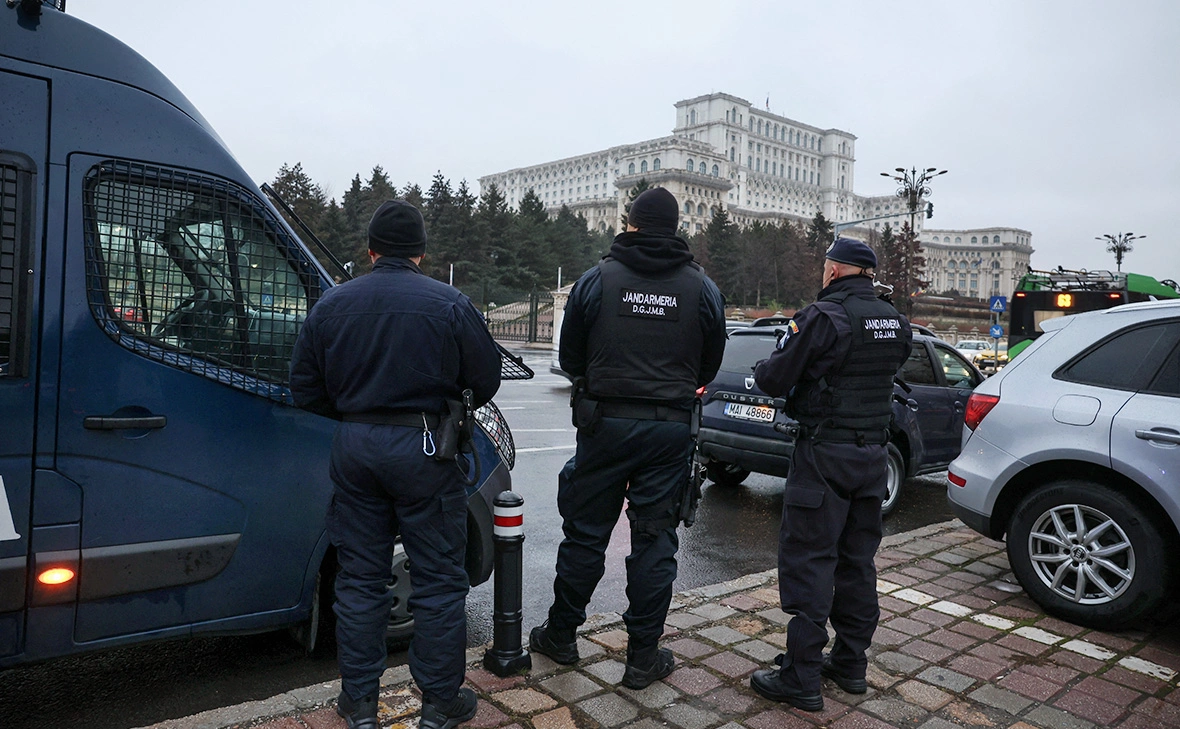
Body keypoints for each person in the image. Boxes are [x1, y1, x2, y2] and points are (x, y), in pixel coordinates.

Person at [289, 200, 501, 729]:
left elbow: (305, 388)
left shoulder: (333, 303)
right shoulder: (449, 303)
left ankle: (358, 703)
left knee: (360, 578)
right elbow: (487, 378)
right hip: (426, 449)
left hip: (357, 448)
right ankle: (439, 703)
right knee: (438, 580)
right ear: (422, 254)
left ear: (371, 250)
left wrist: (359, 416)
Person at [529, 187, 726, 689]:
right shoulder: (702, 289)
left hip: (604, 425)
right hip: (669, 428)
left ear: (632, 224)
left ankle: (561, 635)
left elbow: (570, 356)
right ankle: (642, 657)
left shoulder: (597, 280)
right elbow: (711, 362)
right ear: (676, 228)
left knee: (586, 533)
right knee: (655, 539)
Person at [749, 237, 912, 712]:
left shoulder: (823, 316)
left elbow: (775, 377)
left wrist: (765, 366)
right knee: (857, 561)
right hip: (873, 457)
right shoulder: (894, 320)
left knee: (811, 561)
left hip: (825, 455)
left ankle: (800, 677)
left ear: (836, 271)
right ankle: (850, 664)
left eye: (826, 267)